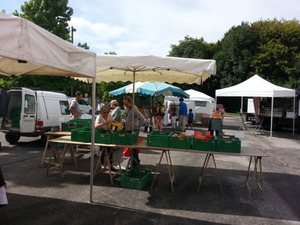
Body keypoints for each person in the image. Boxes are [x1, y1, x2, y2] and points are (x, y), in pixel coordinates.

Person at [123, 96, 146, 166]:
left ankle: (135, 162)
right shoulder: (130, 108)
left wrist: (138, 126)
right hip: (129, 129)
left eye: (126, 104)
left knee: (133, 147)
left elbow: (142, 118)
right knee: (132, 147)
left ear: (130, 102)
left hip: (132, 130)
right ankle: (135, 161)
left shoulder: (134, 109)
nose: (125, 106)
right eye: (124, 104)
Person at [95, 105, 117, 171]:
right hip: (101, 134)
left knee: (110, 149)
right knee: (102, 149)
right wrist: (105, 123)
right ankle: (102, 164)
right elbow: (96, 126)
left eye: (107, 112)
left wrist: (115, 124)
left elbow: (112, 124)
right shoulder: (99, 117)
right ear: (101, 112)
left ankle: (110, 165)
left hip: (108, 133)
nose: (106, 114)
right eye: (104, 112)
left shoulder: (109, 115)